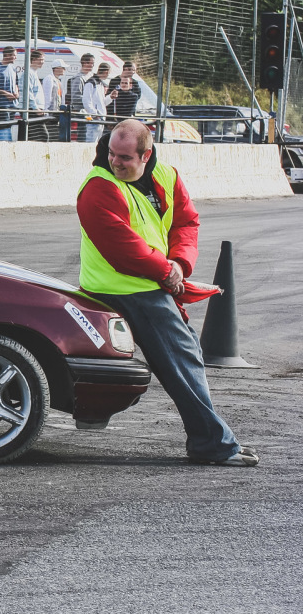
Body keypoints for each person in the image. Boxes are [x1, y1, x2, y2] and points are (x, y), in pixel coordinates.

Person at [77, 120, 258, 466]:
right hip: (127, 288)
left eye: (125, 157)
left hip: (153, 284)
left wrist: (180, 264)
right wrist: (168, 273)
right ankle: (214, 445)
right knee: (184, 362)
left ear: (146, 155)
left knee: (185, 360)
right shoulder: (98, 186)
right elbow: (122, 248)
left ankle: (213, 441)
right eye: (112, 153)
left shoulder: (168, 176)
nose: (115, 161)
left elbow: (186, 223)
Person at [65, 52, 95, 142]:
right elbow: (76, 96)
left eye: (93, 63)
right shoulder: (78, 78)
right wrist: (88, 101)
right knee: (83, 135)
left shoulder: (91, 77)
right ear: (84, 63)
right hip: (82, 113)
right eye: (90, 63)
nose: (92, 65)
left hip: (90, 112)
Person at [82, 62, 111, 142]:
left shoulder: (101, 84)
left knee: (97, 143)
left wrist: (111, 97)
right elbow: (86, 101)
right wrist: (95, 114)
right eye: (108, 73)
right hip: (94, 119)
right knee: (91, 142)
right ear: (106, 72)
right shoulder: (90, 83)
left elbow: (102, 103)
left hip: (100, 119)